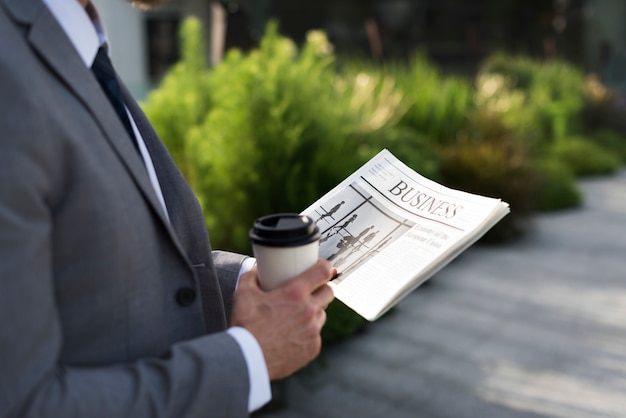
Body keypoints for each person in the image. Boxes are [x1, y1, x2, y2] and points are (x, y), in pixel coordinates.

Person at [0, 0, 335, 417]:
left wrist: (252, 280)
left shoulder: (75, 42)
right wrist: (249, 359)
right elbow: (23, 404)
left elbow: (94, 278)